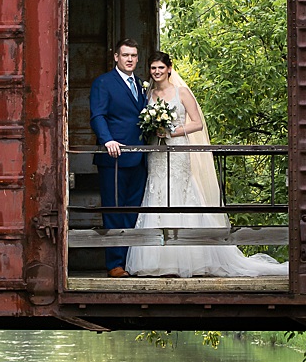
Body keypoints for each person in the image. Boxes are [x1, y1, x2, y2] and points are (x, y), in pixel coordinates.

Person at [126, 51, 288, 278]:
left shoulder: (181, 92)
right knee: (157, 191)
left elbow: (197, 123)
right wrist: (154, 128)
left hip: (178, 149)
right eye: (153, 68)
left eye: (160, 68)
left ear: (169, 69)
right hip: (157, 153)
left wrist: (173, 131)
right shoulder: (149, 94)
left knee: (181, 194)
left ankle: (190, 257)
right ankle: (157, 259)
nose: (157, 72)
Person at [89, 38, 149, 277]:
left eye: (134, 55)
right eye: (125, 55)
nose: (130, 60)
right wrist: (107, 140)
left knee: (134, 211)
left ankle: (132, 262)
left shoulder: (143, 85)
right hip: (114, 157)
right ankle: (115, 264)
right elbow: (97, 116)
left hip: (141, 157)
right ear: (116, 57)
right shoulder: (103, 83)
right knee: (114, 210)